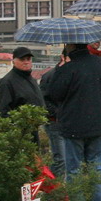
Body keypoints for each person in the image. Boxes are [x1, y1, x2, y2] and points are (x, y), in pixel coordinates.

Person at [45, 43, 101, 201]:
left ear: (71, 47)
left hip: (74, 125)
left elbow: (54, 94)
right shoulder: (100, 64)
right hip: (97, 124)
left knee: (74, 169)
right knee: (97, 166)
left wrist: (60, 69)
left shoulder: (68, 68)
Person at [38, 53, 69, 182]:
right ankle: (52, 187)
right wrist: (57, 113)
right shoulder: (50, 76)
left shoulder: (70, 76)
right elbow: (44, 100)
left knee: (67, 159)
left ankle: (60, 189)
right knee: (61, 160)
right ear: (63, 58)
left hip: (67, 123)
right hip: (55, 122)